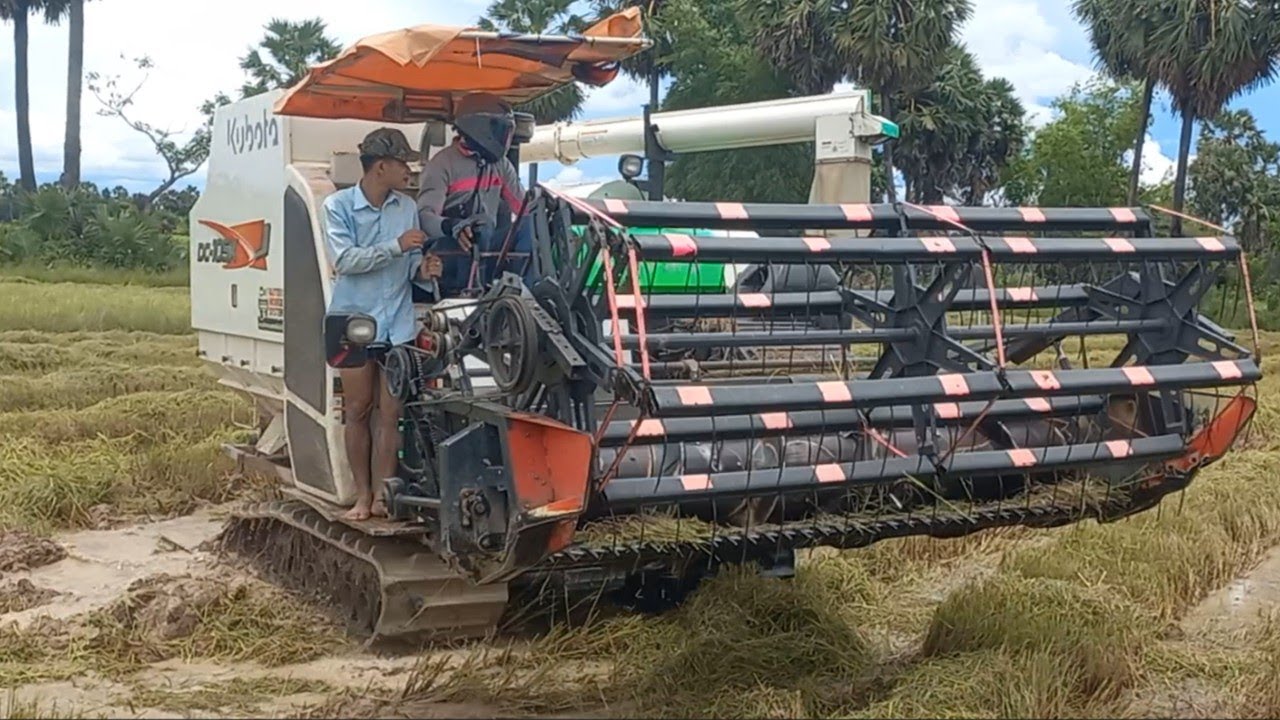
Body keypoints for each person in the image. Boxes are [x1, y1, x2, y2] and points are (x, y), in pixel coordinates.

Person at [323, 127, 443, 521]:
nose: (409, 170)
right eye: (402, 164)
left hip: (397, 322)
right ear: (380, 168)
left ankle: (381, 497)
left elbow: (409, 268)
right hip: (354, 320)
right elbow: (345, 261)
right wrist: (396, 247)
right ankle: (361, 494)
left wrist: (425, 270)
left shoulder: (404, 209)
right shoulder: (337, 207)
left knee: (391, 413)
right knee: (358, 409)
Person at [416, 92, 528, 296]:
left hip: (489, 249)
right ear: (479, 128)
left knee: (529, 225)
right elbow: (424, 217)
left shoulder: (501, 165)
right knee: (481, 226)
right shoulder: (442, 164)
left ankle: (530, 292)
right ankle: (471, 295)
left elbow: (525, 208)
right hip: (449, 251)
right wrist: (453, 226)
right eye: (499, 129)